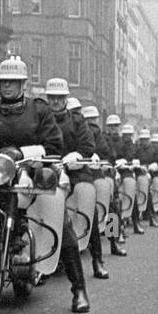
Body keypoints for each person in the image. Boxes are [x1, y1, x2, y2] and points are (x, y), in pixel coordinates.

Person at [0, 58, 90, 312]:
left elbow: (54, 145)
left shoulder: (38, 110)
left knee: (61, 220)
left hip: (31, 171)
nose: (7, 87)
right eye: (3, 82)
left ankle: (79, 289)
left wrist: (22, 153)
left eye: (12, 82)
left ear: (23, 84)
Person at [44, 77, 102, 294]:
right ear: (47, 98)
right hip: (46, 172)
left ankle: (97, 260)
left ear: (66, 99)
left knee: (91, 206)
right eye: (52, 98)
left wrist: (76, 156)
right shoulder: (40, 118)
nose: (56, 102)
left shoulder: (77, 121)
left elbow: (89, 145)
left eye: (60, 98)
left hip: (75, 172)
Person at [82, 105, 118, 272]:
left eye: (92, 120)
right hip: (77, 172)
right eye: (88, 120)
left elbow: (109, 155)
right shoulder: (76, 129)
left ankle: (113, 242)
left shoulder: (99, 135)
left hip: (96, 172)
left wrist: (102, 161)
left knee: (110, 205)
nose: (90, 123)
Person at [101, 114, 130, 256]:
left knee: (114, 205)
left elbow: (127, 155)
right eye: (110, 126)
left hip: (116, 170)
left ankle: (115, 238)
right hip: (100, 169)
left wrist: (122, 162)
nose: (113, 129)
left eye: (115, 126)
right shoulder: (102, 138)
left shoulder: (123, 141)